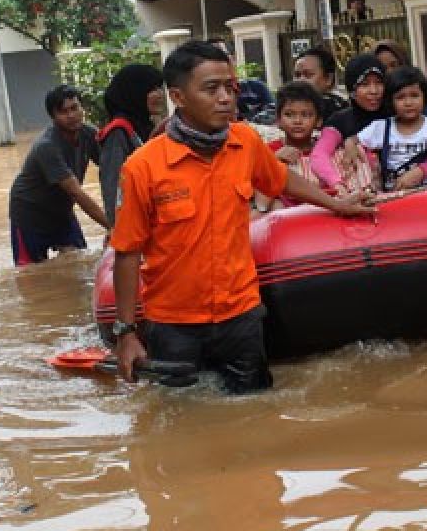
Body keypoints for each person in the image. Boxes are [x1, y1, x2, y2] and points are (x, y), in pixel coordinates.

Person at [109, 40, 374, 392]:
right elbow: (126, 253)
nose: (226, 98)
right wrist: (126, 333)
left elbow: (282, 180)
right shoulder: (142, 167)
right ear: (178, 96)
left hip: (241, 315)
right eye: (211, 88)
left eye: (229, 87)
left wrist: (338, 203)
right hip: (175, 325)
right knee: (181, 424)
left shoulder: (244, 142)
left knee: (253, 414)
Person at [311, 54, 427, 195]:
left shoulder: (399, 113)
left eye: (379, 83)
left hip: (418, 194)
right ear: (351, 90)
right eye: (364, 84)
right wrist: (337, 184)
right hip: (361, 199)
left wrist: (420, 171)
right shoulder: (340, 121)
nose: (374, 91)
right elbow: (319, 155)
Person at [8, 85, 109, 265]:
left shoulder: (89, 134)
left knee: (78, 261)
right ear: (53, 117)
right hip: (29, 215)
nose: (71, 115)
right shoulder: (47, 146)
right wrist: (113, 227)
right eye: (63, 112)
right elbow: (76, 193)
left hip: (62, 211)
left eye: (75, 108)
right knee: (30, 275)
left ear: (82, 108)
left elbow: (112, 169)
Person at [348, 66, 427, 193]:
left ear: (424, 97)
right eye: (400, 97)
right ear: (391, 101)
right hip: (396, 200)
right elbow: (353, 140)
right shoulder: (381, 128)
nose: (408, 103)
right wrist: (350, 145)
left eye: (414, 96)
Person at [97, 64, 165, 226]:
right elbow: (112, 187)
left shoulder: (146, 125)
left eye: (160, 88)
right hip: (133, 224)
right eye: (152, 89)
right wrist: (118, 230)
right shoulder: (118, 131)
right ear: (136, 92)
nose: (160, 94)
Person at [255, 80, 326, 213]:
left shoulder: (325, 150)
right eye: (289, 114)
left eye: (305, 115)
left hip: (323, 216)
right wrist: (275, 162)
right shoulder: (269, 151)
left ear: (318, 121)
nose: (297, 121)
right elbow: (261, 205)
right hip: (284, 222)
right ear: (278, 120)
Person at [293, 46, 349, 120]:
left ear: (329, 78)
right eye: (297, 75)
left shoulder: (340, 113)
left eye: (308, 75)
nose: (301, 80)